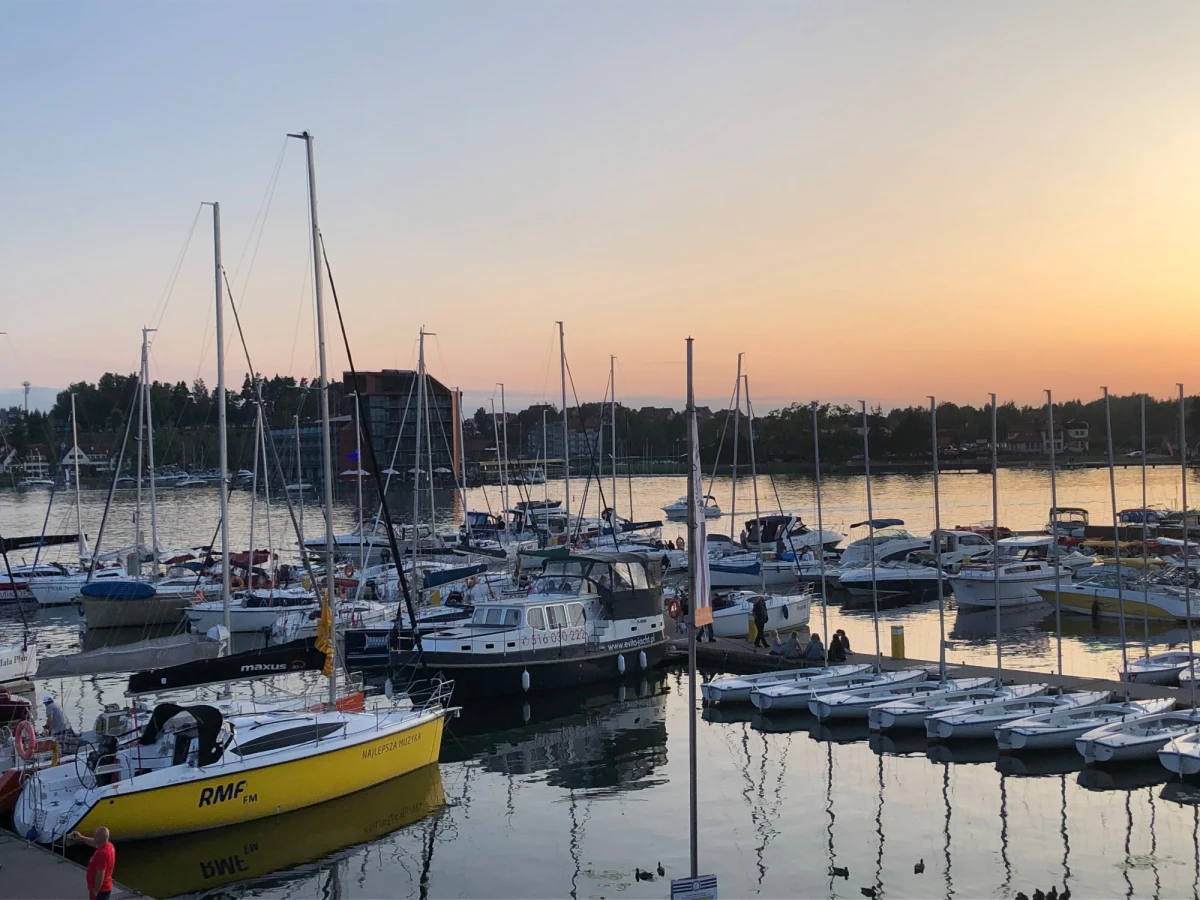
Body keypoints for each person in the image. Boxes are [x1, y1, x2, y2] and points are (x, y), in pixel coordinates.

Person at [69, 826, 115, 900]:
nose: (94, 836)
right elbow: (94, 842)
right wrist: (81, 837)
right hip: (105, 887)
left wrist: (95, 891)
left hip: (101, 890)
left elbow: (100, 874)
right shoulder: (108, 845)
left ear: (100, 838)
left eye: (95, 835)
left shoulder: (102, 853)